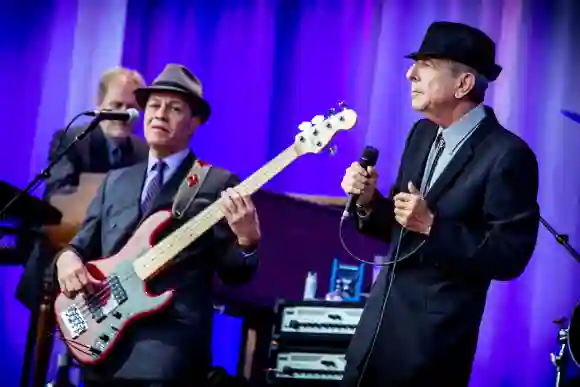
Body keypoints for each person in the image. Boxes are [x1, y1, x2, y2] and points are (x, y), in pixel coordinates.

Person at [339, 21, 540, 387]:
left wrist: (434, 226)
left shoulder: (507, 155)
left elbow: (511, 255)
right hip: (376, 331)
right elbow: (403, 231)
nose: (409, 74)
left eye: (426, 65)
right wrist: (369, 202)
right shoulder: (421, 134)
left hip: (432, 345)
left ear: (463, 84)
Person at [54, 64, 262, 387]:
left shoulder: (215, 183)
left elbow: (234, 274)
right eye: (153, 105)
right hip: (104, 338)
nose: (160, 114)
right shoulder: (116, 181)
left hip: (169, 345)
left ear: (195, 122)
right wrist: (66, 259)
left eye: (174, 108)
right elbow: (80, 245)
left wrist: (247, 242)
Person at [44, 66, 149, 197]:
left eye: (131, 108)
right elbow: (58, 195)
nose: (124, 114)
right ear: (99, 103)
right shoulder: (71, 141)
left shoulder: (144, 152)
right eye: (117, 105)